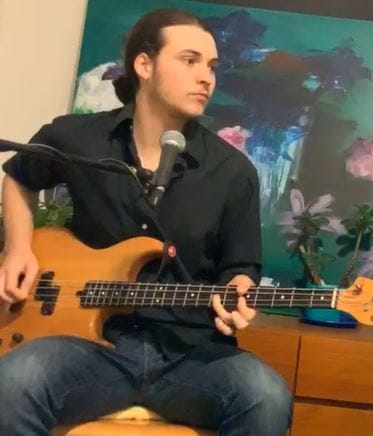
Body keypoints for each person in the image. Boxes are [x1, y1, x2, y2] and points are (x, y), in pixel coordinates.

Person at [0, 8, 291, 435]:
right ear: (144, 64)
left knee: (266, 396)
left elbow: (240, 269)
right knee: (13, 381)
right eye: (189, 61)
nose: (206, 78)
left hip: (190, 355)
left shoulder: (233, 171)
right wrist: (18, 249)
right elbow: (19, 177)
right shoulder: (79, 138)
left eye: (212, 66)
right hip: (87, 348)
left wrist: (240, 291)